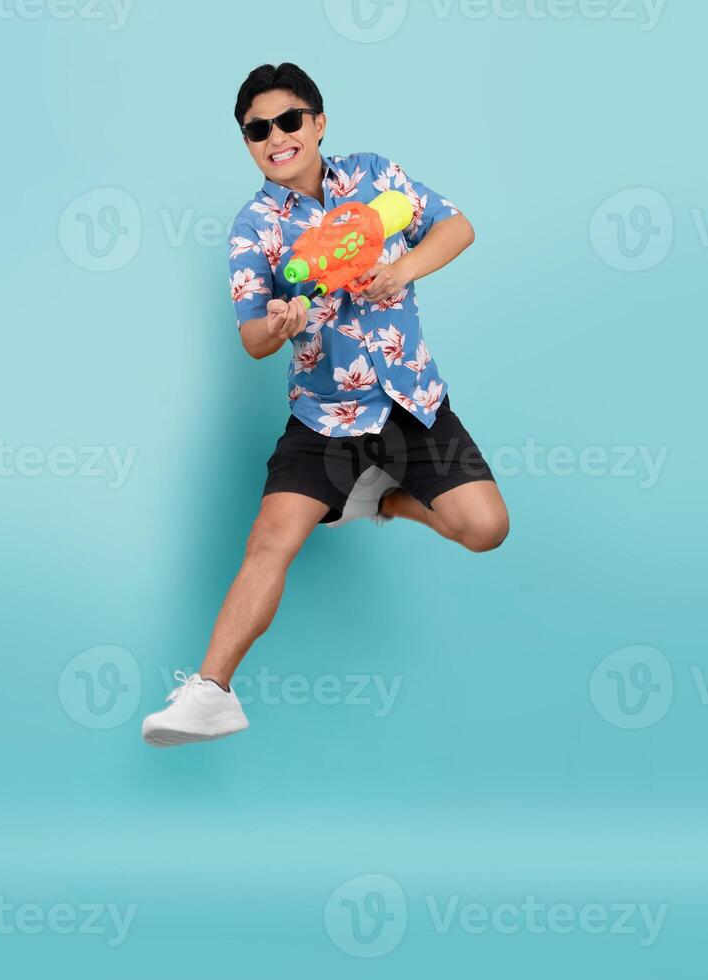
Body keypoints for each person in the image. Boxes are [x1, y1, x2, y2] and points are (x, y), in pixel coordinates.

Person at [141, 63, 509, 747]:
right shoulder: (255, 226)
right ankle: (209, 693)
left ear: (317, 122)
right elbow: (252, 336)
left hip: (411, 400)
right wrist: (277, 327)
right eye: (257, 130)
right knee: (270, 540)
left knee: (486, 527)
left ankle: (376, 499)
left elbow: (456, 227)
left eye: (287, 121)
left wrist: (401, 268)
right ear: (248, 143)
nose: (274, 137)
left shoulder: (375, 175)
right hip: (325, 419)